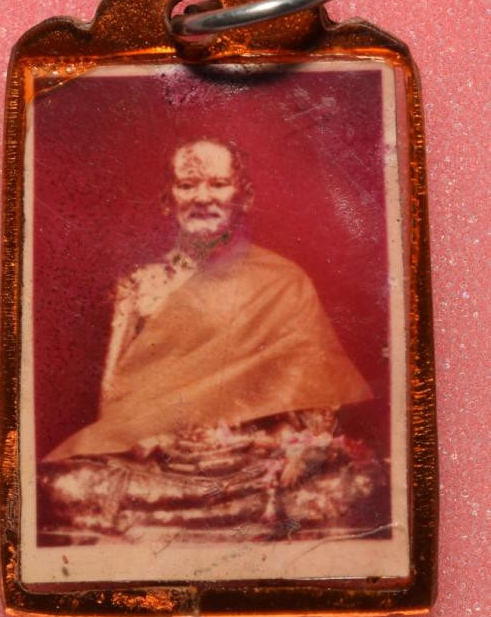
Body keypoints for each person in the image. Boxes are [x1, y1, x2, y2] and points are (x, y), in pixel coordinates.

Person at [39, 139, 381, 544]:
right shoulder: (140, 287)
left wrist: (237, 443)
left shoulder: (284, 283)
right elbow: (114, 406)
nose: (202, 197)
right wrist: (163, 443)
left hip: (248, 465)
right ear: (167, 199)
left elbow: (314, 417)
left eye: (218, 184)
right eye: (187, 185)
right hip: (157, 465)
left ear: (244, 196)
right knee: (62, 484)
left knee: (353, 483)